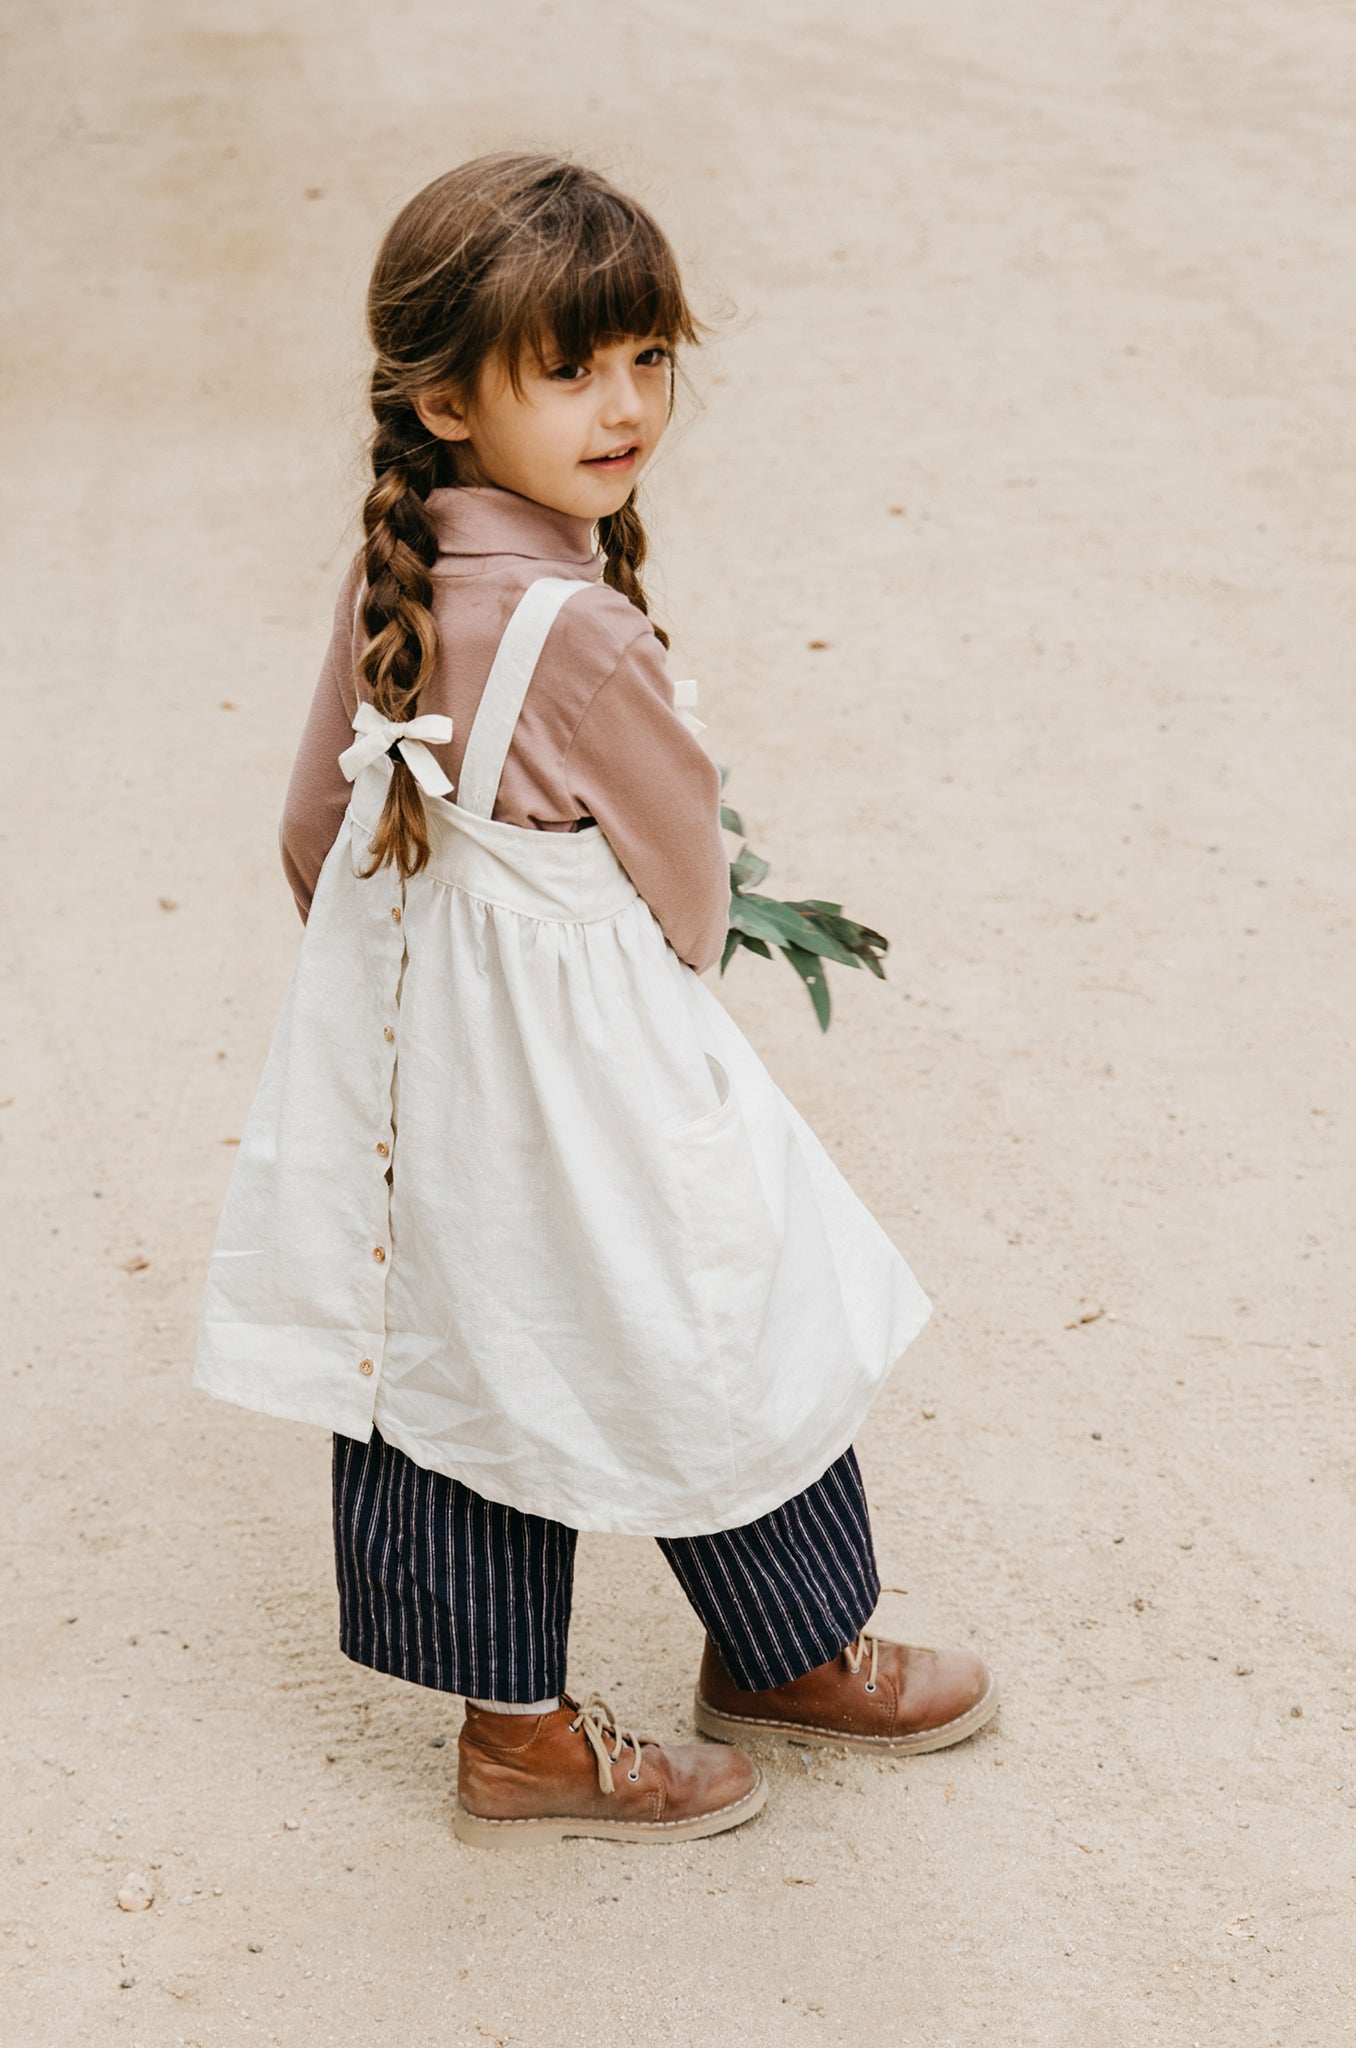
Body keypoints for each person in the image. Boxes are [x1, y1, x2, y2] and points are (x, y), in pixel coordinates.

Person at [194, 152, 999, 1848]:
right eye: (569, 370)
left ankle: (518, 1730)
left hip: (421, 1067)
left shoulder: (395, 559)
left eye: (644, 358)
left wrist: (399, 1031)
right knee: (717, 1306)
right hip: (589, 1072)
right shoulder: (580, 635)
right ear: (444, 395)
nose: (623, 403)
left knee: (453, 1356)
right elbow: (685, 883)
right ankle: (787, 1645)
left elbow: (309, 834)